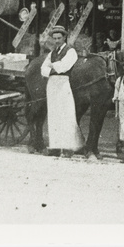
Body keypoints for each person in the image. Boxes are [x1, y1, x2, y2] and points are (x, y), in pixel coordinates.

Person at [40, 26, 84, 158]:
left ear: (64, 37)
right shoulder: (52, 52)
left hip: (64, 83)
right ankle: (55, 146)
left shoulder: (71, 51)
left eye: (59, 38)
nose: (57, 41)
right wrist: (53, 68)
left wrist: (52, 67)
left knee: (66, 115)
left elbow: (64, 67)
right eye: (54, 38)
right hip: (52, 84)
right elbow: (43, 69)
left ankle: (68, 147)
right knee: (54, 115)